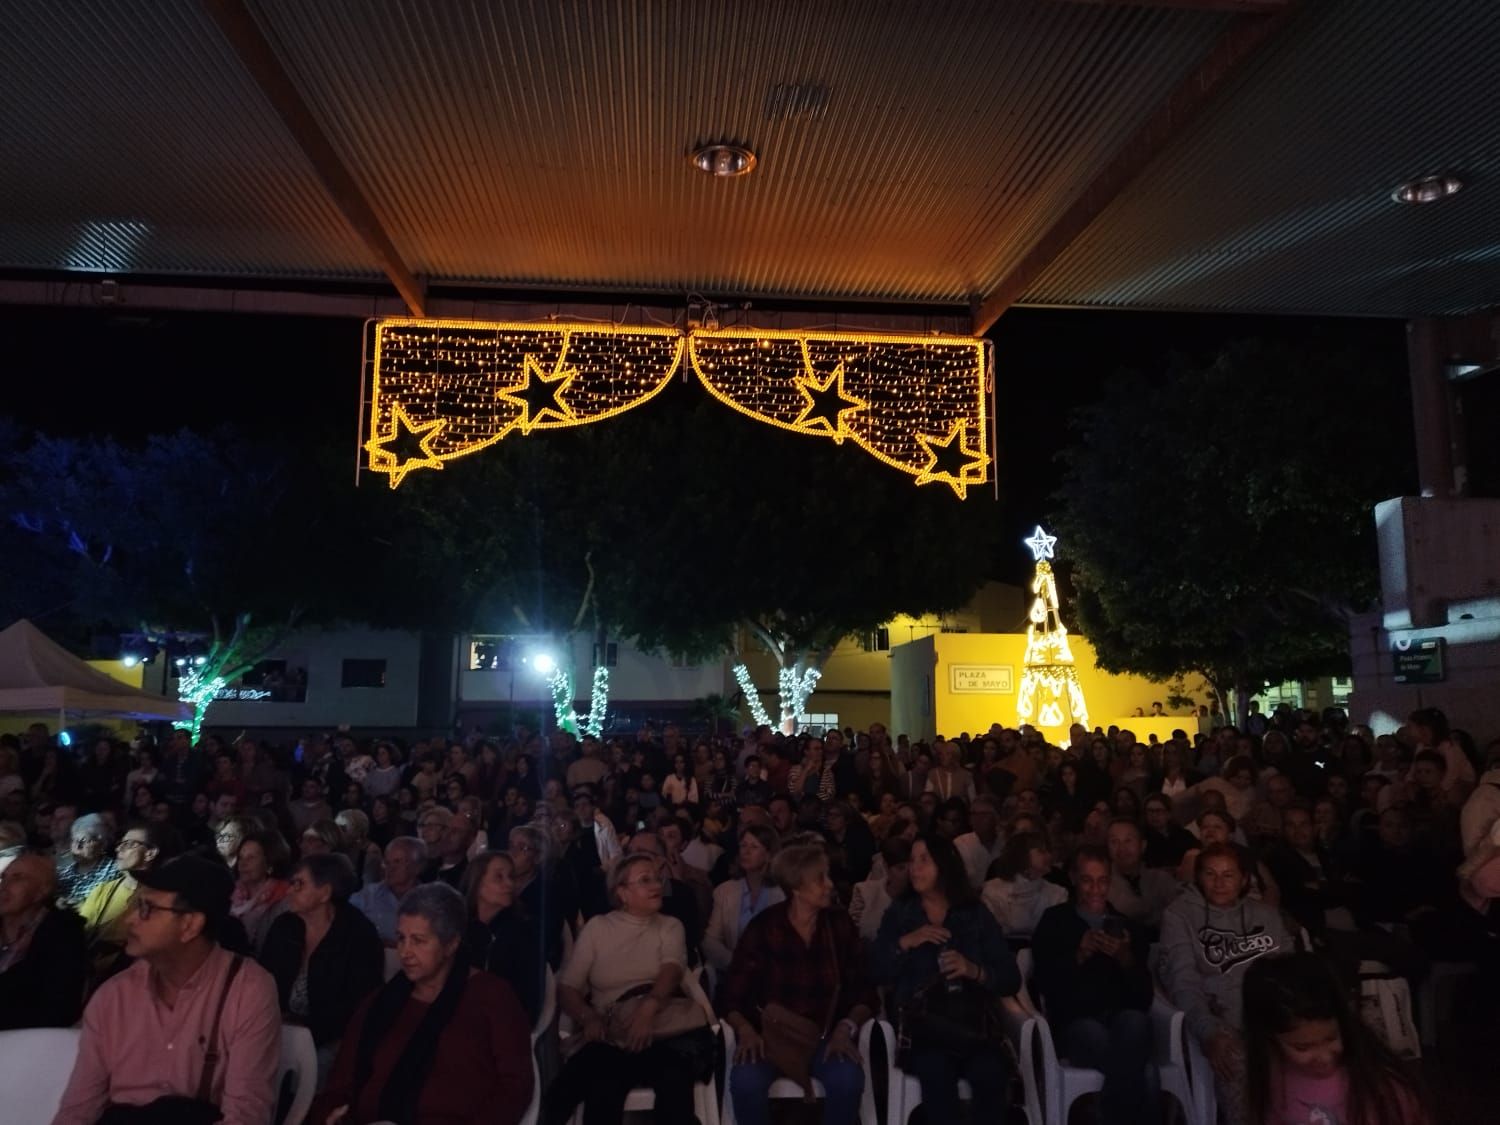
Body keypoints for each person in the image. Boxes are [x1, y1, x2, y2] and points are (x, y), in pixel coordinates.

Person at [53, 854, 282, 1125]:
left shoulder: (247, 990)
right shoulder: (114, 996)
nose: (130, 920)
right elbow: (79, 1109)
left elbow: (246, 1115)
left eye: (146, 908)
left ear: (190, 925)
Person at [313, 882, 534, 1125]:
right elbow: (342, 1080)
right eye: (401, 938)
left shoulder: (492, 997)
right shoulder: (382, 1002)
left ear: (450, 944)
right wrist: (332, 1114)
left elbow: (515, 1086)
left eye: (418, 940)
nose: (405, 952)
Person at [546, 853, 715, 1125]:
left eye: (657, 879)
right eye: (644, 880)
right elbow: (568, 987)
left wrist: (649, 1007)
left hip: (663, 1026)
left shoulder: (670, 926)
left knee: (673, 1077)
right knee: (598, 1081)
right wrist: (587, 1017)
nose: (656, 885)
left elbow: (671, 969)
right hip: (612, 1030)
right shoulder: (598, 928)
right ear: (622, 892)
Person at [721, 843, 878, 1125]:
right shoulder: (765, 927)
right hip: (770, 1038)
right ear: (796, 887)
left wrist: (846, 1028)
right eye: (820, 878)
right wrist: (745, 1030)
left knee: (847, 1079)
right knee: (745, 1081)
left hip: (825, 1037)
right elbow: (731, 994)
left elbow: (865, 992)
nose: (830, 885)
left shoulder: (839, 925)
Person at [872, 833, 1019, 1122]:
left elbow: (1010, 978)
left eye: (924, 860)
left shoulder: (975, 914)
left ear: (945, 865)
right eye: (912, 861)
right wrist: (906, 943)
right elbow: (876, 970)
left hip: (972, 1026)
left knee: (989, 1074)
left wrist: (974, 970)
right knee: (936, 1073)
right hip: (923, 1028)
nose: (915, 868)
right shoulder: (901, 914)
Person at [1160, 843, 1293, 1125]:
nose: (1219, 883)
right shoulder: (1180, 915)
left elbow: (1291, 973)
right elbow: (1183, 983)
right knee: (1236, 1059)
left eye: (1228, 875)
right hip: (1220, 1018)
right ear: (1199, 877)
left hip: (1272, 1017)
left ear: (1244, 879)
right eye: (1210, 874)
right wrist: (1207, 1030)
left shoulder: (1265, 916)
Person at [1032, 845, 1159, 1125]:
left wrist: (1125, 958)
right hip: (1074, 1022)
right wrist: (1079, 954)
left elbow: (1145, 997)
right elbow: (1044, 984)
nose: (1095, 889)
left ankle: (1105, 1114)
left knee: (1136, 1023)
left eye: (1102, 881)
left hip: (1123, 1019)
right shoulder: (1055, 921)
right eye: (1088, 880)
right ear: (1075, 879)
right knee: (1144, 1072)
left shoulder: (1127, 927)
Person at [1242, 952, 1427, 1125]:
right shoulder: (1271, 1082)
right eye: (1303, 1048)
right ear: (1269, 1040)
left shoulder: (1379, 1082)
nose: (1324, 1057)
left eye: (1331, 1038)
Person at [259, 853, 385, 1073]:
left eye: (299, 884)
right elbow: (263, 981)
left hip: (332, 1037)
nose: (289, 891)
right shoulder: (285, 926)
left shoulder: (358, 934)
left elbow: (360, 1003)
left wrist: (308, 1031)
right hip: (278, 1028)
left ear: (325, 892)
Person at [79, 820, 183, 981]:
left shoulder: (163, 897)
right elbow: (82, 933)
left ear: (150, 852)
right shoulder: (103, 890)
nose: (118, 848)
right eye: (120, 843)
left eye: (128, 844)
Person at [0, 851, 87, 1028]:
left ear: (42, 891)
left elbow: (58, 1009)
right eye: (3, 877)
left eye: (17, 878)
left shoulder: (63, 936)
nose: (3, 886)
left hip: (24, 1039)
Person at [462, 850, 545, 1024]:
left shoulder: (524, 932)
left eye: (511, 877)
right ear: (477, 882)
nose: (509, 884)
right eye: (499, 877)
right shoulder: (458, 927)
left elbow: (526, 999)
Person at [704, 823, 785, 971]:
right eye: (743, 846)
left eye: (754, 847)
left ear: (768, 854)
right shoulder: (724, 891)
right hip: (734, 970)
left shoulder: (782, 894)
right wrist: (736, 963)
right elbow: (711, 940)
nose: (745, 852)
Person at [982, 830, 1067, 945]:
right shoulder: (991, 891)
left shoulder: (1057, 895)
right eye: (1042, 851)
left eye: (1048, 851)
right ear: (1022, 855)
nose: (1049, 856)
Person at [1105, 819, 1178, 938]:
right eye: (1114, 842)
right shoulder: (1102, 883)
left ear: (1143, 845)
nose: (1121, 848)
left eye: (1128, 840)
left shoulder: (1162, 880)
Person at [351, 836, 427, 945]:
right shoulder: (369, 894)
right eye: (387, 863)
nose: (390, 868)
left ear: (417, 866)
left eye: (397, 862)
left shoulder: (429, 901)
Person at [850, 835, 911, 943]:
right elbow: (851, 937)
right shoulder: (865, 892)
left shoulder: (919, 898)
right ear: (886, 867)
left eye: (911, 867)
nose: (907, 874)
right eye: (900, 868)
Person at [56, 812, 119, 907]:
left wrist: (84, 905)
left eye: (83, 841)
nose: (77, 847)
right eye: (74, 841)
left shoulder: (113, 871)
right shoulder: (64, 875)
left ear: (102, 844)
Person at [952, 794, 1004, 890]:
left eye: (983, 814)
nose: (977, 819)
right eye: (973, 814)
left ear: (996, 817)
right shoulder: (960, 843)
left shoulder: (1006, 842)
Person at [1141, 794, 1197, 869]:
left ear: (1169, 814)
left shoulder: (1184, 835)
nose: (1154, 815)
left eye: (1158, 811)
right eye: (1150, 811)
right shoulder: (1140, 836)